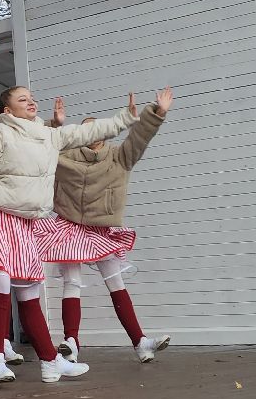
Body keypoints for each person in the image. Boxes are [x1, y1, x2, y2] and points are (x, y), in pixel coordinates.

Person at [0, 87, 136, 383]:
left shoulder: (48, 135)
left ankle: (50, 361)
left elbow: (87, 132)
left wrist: (125, 118)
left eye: (31, 98)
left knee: (28, 290)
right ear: (8, 111)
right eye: (22, 99)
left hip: (23, 221)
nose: (31, 101)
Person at [43, 88, 174, 360]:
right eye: (87, 130)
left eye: (98, 129)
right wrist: (55, 125)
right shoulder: (65, 157)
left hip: (101, 229)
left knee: (116, 281)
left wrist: (156, 113)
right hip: (70, 226)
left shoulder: (119, 157)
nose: (94, 134)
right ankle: (71, 343)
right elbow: (43, 145)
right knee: (72, 282)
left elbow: (139, 138)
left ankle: (140, 342)